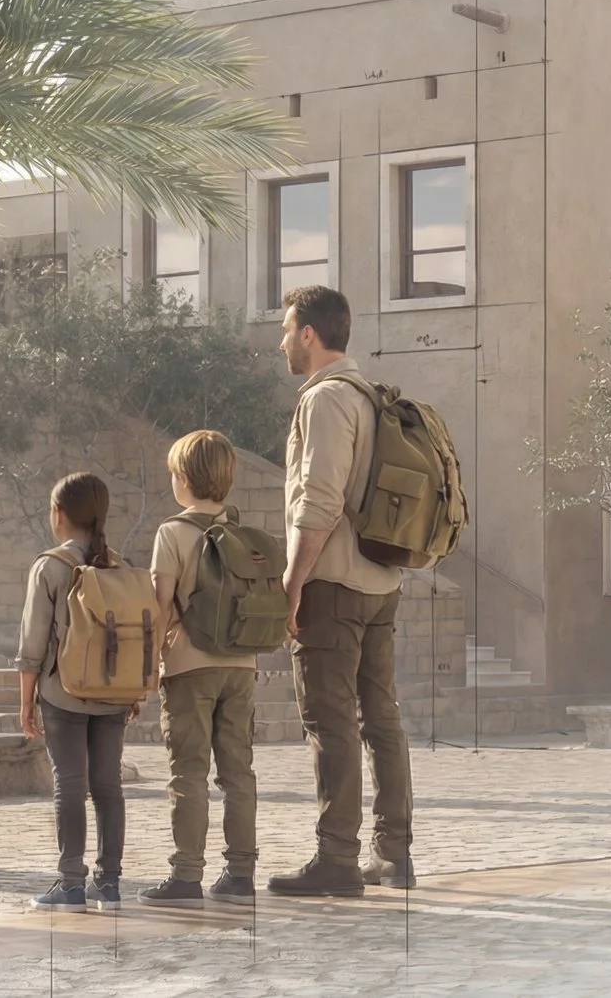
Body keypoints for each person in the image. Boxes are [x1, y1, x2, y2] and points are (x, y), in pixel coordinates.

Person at [266, 285, 415, 898]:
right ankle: (394, 854)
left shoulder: (326, 400)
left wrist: (292, 581)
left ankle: (336, 859)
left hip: (333, 583)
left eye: (286, 328)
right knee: (382, 717)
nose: (280, 340)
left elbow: (319, 501)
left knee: (330, 722)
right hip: (382, 580)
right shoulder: (373, 397)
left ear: (308, 333)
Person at [137, 430, 259, 908]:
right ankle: (241, 872)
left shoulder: (173, 532)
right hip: (242, 664)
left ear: (183, 479)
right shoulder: (243, 533)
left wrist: (148, 671)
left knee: (188, 772)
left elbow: (159, 608)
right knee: (238, 771)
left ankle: (186, 875)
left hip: (189, 666)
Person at [17, 471, 138, 912]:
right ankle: (109, 884)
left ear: (59, 514)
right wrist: (134, 689)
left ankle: (70, 884)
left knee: (69, 784)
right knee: (109, 785)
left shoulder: (49, 566)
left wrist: (25, 701)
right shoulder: (119, 566)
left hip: (62, 692)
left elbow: (32, 646)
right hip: (113, 693)